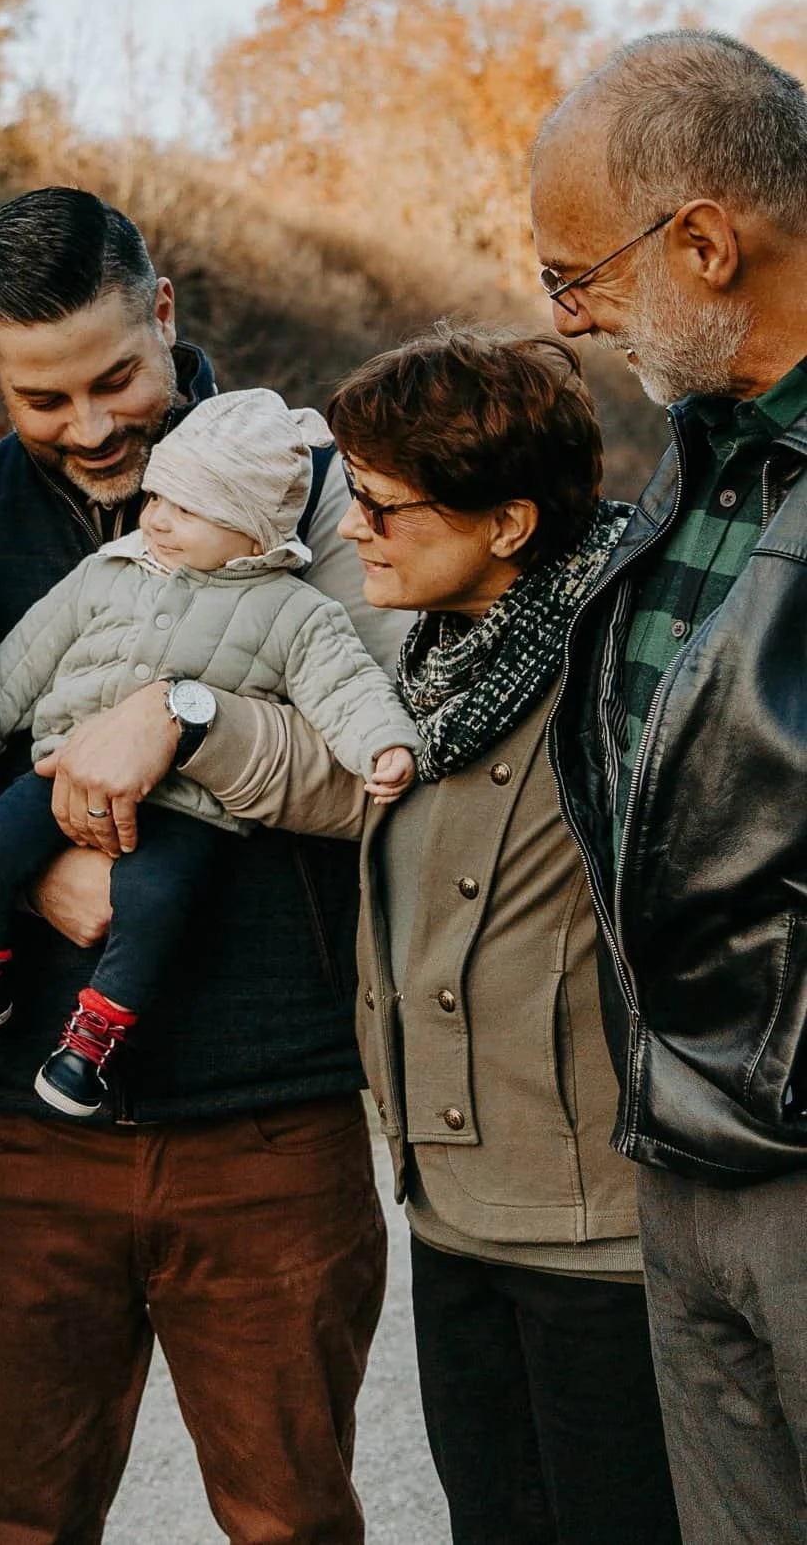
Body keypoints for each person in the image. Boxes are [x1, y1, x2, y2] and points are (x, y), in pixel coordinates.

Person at [0, 188, 407, 1545]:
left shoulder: (326, 491)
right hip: (19, 1126)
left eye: (117, 377)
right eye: (43, 396)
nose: (91, 427)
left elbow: (388, 774)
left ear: (167, 312)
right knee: (14, 1521)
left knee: (290, 1521)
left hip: (271, 1107)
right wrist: (19, 871)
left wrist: (196, 723)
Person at [328, 325, 681, 1545]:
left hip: (601, 1240)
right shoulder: (424, 668)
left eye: (380, 505)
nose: (352, 529)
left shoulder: (626, 659)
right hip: (446, 1209)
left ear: (507, 524)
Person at [531, 30, 807, 1545]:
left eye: (578, 278)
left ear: (705, 243)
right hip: (689, 1151)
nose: (565, 320)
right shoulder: (700, 449)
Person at [0, 388, 417, 1116]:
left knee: (155, 904)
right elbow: (25, 659)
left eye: (187, 511)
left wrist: (383, 746)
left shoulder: (298, 613)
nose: (155, 519)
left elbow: (348, 689)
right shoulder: (110, 571)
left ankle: (94, 1041)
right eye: (157, 499)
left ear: (254, 533)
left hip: (189, 808)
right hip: (64, 770)